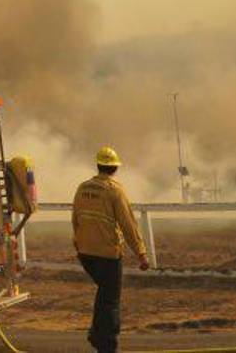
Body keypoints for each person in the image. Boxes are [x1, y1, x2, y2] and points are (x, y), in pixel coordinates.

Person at [72, 146, 150, 353]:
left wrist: (78, 244)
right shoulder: (115, 190)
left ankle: (96, 334)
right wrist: (141, 254)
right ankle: (107, 344)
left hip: (85, 254)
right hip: (107, 254)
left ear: (98, 165)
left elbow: (76, 218)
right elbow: (129, 225)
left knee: (104, 292)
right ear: (115, 167)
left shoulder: (82, 187)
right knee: (110, 300)